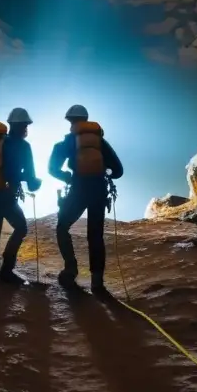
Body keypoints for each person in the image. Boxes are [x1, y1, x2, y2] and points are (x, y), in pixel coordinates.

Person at [49, 104, 124, 294]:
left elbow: (52, 168)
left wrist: (67, 176)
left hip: (78, 189)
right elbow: (118, 170)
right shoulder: (100, 142)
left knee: (62, 226)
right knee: (95, 235)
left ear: (70, 122)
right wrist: (105, 172)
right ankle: (97, 283)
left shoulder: (68, 142)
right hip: (98, 190)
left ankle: (71, 268)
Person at [0, 107, 42, 285]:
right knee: (21, 228)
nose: (27, 128)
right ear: (20, 126)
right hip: (8, 195)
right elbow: (31, 180)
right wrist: (36, 182)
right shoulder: (24, 147)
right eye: (25, 125)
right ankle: (6, 270)